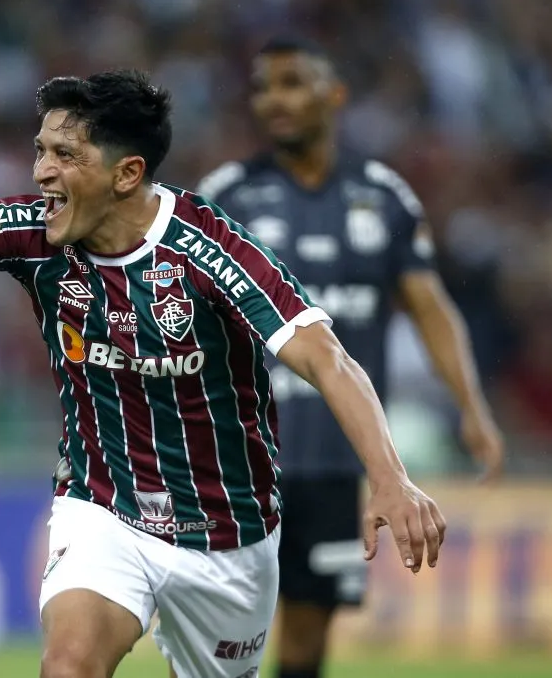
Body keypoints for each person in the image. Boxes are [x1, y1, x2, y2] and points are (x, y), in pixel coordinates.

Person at [0, 70, 446, 678]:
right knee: (68, 666)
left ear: (127, 173)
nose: (41, 172)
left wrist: (390, 477)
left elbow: (327, 357)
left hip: (231, 533)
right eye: (40, 151)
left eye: (64, 155)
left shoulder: (210, 251)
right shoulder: (32, 234)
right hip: (104, 509)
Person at [195, 37, 505, 678]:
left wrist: (472, 407)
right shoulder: (227, 194)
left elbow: (430, 307)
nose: (273, 100)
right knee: (221, 642)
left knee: (306, 638)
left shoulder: (383, 196)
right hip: (240, 460)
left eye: (291, 83)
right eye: (262, 87)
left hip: (336, 460)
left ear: (333, 95)